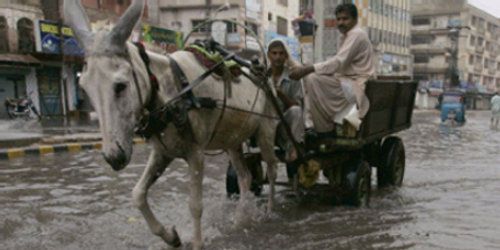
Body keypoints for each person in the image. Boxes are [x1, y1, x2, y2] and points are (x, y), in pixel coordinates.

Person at [289, 3, 374, 133]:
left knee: (312, 79)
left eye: (345, 19)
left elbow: (338, 62)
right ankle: (317, 123)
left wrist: (308, 69)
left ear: (355, 20)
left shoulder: (356, 34)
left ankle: (321, 127)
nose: (341, 22)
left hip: (356, 86)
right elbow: (338, 64)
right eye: (338, 19)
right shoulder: (346, 36)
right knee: (313, 79)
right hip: (347, 82)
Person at [266, 38, 304, 162]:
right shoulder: (262, 75)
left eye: (281, 54)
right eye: (274, 53)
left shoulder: (293, 76)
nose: (278, 57)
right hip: (264, 122)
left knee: (296, 111)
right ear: (268, 55)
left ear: (286, 56)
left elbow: (297, 105)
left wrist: (280, 94)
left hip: (283, 123)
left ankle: (293, 148)